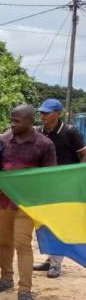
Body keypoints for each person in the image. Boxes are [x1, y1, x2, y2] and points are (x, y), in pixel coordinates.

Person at [0, 104, 56, 300]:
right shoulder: (2, 141)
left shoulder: (44, 144)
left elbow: (49, 176)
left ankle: (25, 290)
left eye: (16, 120)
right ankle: (5, 278)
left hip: (27, 205)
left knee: (23, 245)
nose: (12, 123)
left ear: (29, 120)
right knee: (5, 243)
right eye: (11, 119)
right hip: (2, 201)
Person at [33, 98, 86, 278]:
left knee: (60, 223)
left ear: (58, 114)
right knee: (46, 223)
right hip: (43, 185)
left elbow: (83, 155)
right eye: (41, 112)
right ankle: (50, 259)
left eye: (46, 113)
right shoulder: (38, 132)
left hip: (64, 187)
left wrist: (76, 177)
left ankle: (56, 263)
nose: (43, 116)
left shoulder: (70, 132)